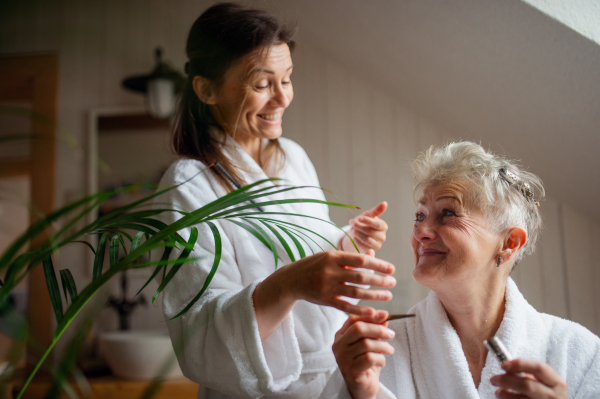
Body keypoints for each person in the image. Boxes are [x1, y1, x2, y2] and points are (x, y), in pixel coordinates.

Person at [154, 3, 396, 398]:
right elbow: (198, 335)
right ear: (207, 89)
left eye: (287, 79)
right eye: (263, 84)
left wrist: (347, 243)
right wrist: (290, 284)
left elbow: (299, 254)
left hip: (330, 381)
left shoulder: (293, 157)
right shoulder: (187, 185)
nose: (282, 98)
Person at [321, 142, 600, 399]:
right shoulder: (378, 353)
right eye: (419, 216)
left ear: (509, 243)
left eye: (448, 213)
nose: (421, 232)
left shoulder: (580, 354)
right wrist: (362, 392)